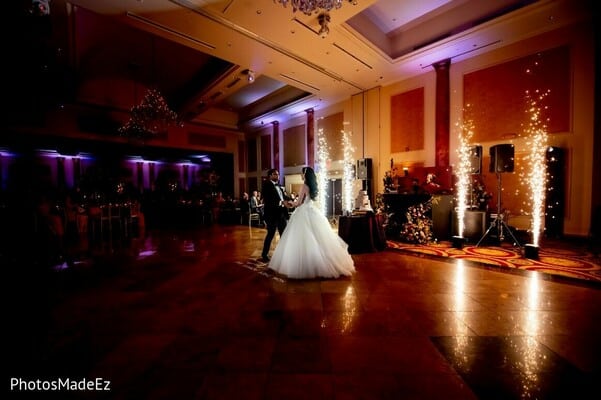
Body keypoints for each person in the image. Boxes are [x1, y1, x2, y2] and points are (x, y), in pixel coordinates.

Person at [268, 166, 355, 279]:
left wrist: (289, 203)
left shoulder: (304, 185)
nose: (301, 175)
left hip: (303, 211)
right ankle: (321, 262)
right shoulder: (313, 186)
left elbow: (299, 202)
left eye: (302, 173)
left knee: (303, 239)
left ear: (305, 174)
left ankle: (305, 264)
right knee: (317, 237)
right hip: (312, 210)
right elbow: (307, 200)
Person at [261, 169, 291, 262]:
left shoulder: (280, 186)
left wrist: (292, 201)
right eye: (275, 174)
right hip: (271, 214)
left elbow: (283, 197)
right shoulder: (266, 185)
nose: (277, 176)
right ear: (270, 176)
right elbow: (268, 200)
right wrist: (282, 202)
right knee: (271, 234)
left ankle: (284, 253)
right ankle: (264, 254)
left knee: (284, 234)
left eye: (278, 174)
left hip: (281, 213)